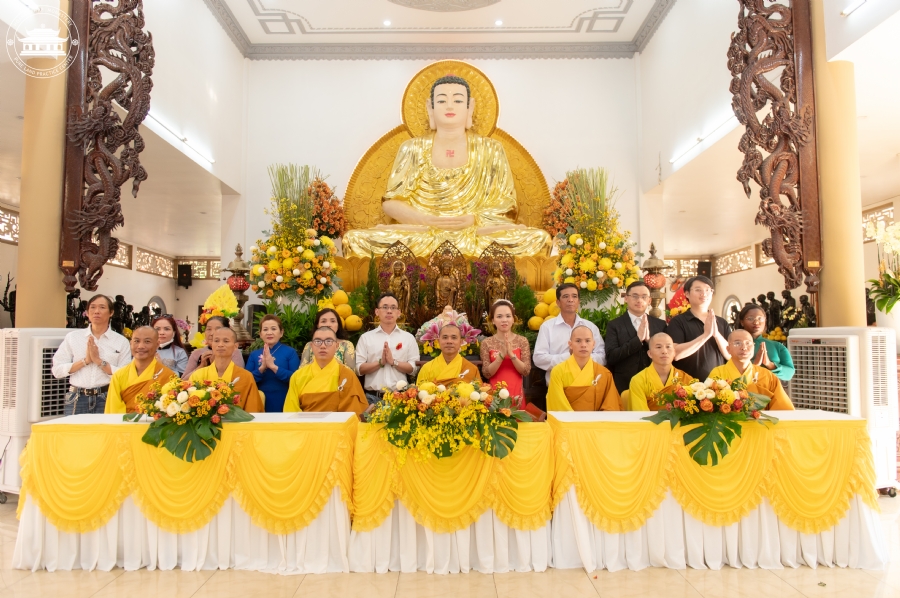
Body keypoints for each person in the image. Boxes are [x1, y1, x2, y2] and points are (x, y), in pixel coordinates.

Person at [342, 75, 551, 258]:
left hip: (476, 233)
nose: (450, 106)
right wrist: (425, 219)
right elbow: (391, 203)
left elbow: (507, 207)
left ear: (470, 107)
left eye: (458, 100)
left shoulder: (491, 149)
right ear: (429, 107)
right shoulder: (412, 148)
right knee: (355, 240)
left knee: (537, 239)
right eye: (442, 100)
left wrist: (473, 219)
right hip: (422, 234)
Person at [52, 294, 132, 415]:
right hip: (76, 397)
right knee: (75, 434)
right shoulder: (73, 337)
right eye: (93, 307)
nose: (97, 311)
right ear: (87, 313)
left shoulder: (121, 342)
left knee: (104, 434)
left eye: (102, 307)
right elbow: (57, 371)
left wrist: (99, 361)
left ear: (111, 312)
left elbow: (125, 375)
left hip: (107, 396)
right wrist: (85, 361)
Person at [533, 283, 606, 385]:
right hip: (558, 386)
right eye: (565, 296)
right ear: (558, 302)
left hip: (587, 385)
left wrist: (582, 358)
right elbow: (539, 358)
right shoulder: (547, 327)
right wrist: (569, 357)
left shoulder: (590, 327)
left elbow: (602, 355)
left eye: (574, 296)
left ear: (578, 301)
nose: (570, 300)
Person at [283, 327, 367, 414]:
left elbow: (355, 413)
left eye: (329, 341)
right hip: (306, 426)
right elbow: (291, 413)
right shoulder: (298, 376)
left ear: (337, 346)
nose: (323, 346)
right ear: (311, 346)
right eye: (318, 341)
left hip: (337, 427)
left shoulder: (347, 375)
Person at [604, 281, 667, 394]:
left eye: (644, 297)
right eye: (635, 296)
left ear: (649, 300)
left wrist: (649, 341)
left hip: (655, 384)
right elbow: (611, 357)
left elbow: (667, 354)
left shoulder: (660, 324)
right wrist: (637, 340)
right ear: (626, 298)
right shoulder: (614, 325)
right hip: (624, 385)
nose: (639, 300)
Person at [356, 292, 419, 404]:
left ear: (399, 312)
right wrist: (380, 363)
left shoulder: (408, 338)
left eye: (393, 307)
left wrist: (393, 362)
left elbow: (413, 369)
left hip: (401, 398)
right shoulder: (366, 338)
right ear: (377, 311)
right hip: (372, 398)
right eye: (385, 307)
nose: (389, 311)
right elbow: (359, 369)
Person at [709, 329, 794, 410]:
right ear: (728, 349)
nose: (744, 347)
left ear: (753, 347)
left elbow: (783, 409)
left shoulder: (767, 376)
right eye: (737, 343)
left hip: (760, 424)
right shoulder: (718, 373)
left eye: (748, 343)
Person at [667, 276, 730, 381]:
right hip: (687, 387)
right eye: (698, 290)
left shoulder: (721, 322)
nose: (704, 293)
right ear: (687, 293)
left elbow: (731, 355)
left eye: (707, 290)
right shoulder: (678, 321)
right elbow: (675, 354)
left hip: (719, 387)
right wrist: (705, 336)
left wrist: (716, 334)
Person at [189, 327, 263, 412]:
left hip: (237, 424)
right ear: (211, 344)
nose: (220, 344)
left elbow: (253, 410)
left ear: (235, 346)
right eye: (216, 341)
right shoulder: (198, 375)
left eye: (226, 341)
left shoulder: (245, 376)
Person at [547, 325, 620, 411]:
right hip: (569, 423)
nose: (583, 345)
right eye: (578, 341)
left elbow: (611, 406)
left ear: (593, 344)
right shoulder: (558, 372)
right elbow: (558, 404)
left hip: (596, 423)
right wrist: (577, 423)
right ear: (570, 344)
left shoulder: (604, 373)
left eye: (587, 341)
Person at [105, 326, 177, 413]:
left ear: (157, 344)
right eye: (136, 341)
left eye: (147, 341)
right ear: (131, 343)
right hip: (124, 425)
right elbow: (113, 411)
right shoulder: (119, 375)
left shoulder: (168, 376)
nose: (141, 346)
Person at [480, 300, 531, 408]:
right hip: (494, 397)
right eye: (499, 316)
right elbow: (487, 373)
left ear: (513, 319)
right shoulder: (486, 343)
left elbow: (526, 371)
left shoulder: (522, 341)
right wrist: (501, 355)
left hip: (516, 394)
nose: (504, 320)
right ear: (493, 320)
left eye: (508, 316)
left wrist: (512, 355)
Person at [248, 314, 301, 413]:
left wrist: (273, 367)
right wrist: (262, 368)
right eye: (265, 329)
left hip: (283, 399)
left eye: (273, 329)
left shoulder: (290, 352)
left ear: (281, 332)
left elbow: (296, 378)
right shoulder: (254, 354)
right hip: (258, 399)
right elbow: (247, 380)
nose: (269, 332)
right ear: (260, 334)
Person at [627, 333, 690, 411]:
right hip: (649, 423)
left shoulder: (686, 379)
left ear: (674, 352)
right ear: (650, 354)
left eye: (668, 347)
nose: (664, 351)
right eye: (658, 347)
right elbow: (641, 416)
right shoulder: (638, 380)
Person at [738, 304, 795, 383]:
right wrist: (754, 365)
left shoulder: (777, 346)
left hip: (772, 392)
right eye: (750, 318)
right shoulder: (733, 345)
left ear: (765, 320)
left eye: (760, 318)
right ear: (742, 322)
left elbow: (789, 373)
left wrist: (769, 364)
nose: (756, 322)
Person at [417, 323, 482, 386]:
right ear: (439, 341)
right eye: (445, 337)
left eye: (454, 338)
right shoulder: (427, 368)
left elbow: (478, 393)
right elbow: (419, 394)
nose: (449, 341)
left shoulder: (471, 369)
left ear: (461, 342)